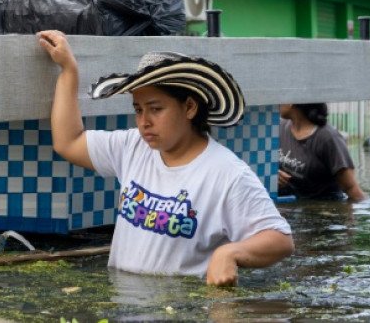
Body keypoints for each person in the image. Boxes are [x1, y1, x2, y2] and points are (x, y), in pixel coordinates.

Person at [38, 30, 293, 286]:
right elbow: (68, 142)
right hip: (124, 305)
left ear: (190, 107)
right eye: (138, 110)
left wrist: (229, 252)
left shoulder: (227, 173)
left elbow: (280, 238)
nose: (144, 122)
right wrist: (69, 71)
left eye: (156, 109)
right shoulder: (132, 147)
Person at [278, 103, 366, 202]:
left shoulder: (328, 138)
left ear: (292, 103)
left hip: (323, 210)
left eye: (281, 97)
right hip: (289, 209)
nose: (277, 102)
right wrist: (272, 176)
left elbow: (352, 190)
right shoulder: (278, 129)